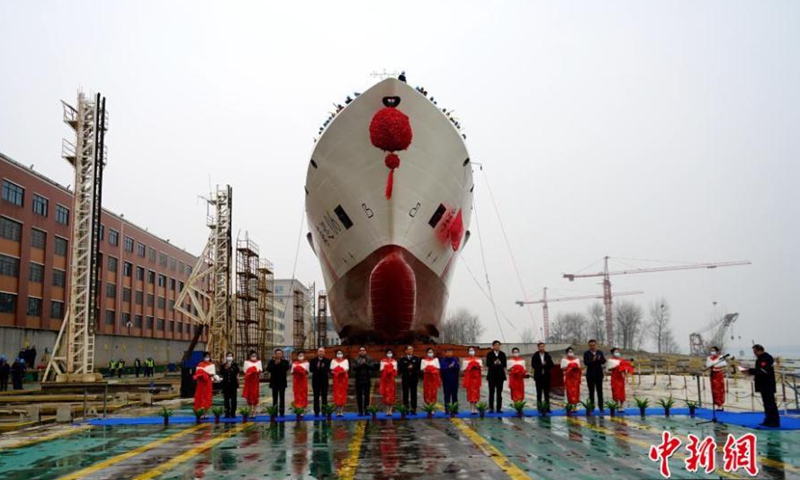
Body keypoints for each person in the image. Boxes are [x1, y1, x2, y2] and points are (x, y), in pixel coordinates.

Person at [743, 344, 780, 427]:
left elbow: (762, 370)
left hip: (767, 384)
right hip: (762, 384)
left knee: (770, 403)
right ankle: (768, 419)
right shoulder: (760, 358)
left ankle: (774, 421)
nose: (754, 354)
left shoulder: (766, 358)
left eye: (755, 352)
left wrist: (750, 371)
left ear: (759, 350)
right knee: (766, 403)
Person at [583, 339, 606, 410]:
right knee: (591, 391)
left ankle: (601, 406)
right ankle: (592, 406)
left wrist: (599, 359)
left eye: (594, 345)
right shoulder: (586, 353)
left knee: (600, 391)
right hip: (590, 375)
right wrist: (592, 360)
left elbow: (604, 361)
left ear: (596, 345)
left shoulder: (600, 352)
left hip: (599, 374)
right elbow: (586, 363)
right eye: (591, 345)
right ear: (589, 345)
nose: (592, 347)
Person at [266, 349, 290, 416]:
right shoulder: (271, 362)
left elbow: (286, 369)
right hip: (274, 382)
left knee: (282, 397)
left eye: (280, 353)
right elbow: (268, 369)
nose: (278, 355)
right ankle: (274, 411)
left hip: (282, 382)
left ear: (282, 354)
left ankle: (282, 412)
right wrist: (275, 364)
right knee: (275, 398)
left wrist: (279, 363)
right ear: (275, 354)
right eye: (277, 353)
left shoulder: (285, 362)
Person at [531, 342, 554, 410]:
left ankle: (547, 407)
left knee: (547, 393)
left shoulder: (547, 355)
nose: (542, 348)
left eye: (543, 346)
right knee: (539, 393)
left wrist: (545, 365)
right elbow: (533, 365)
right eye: (540, 347)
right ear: (538, 348)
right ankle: (539, 407)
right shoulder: (535, 356)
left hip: (546, 377)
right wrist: (541, 365)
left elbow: (551, 364)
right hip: (538, 377)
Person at [398, 345, 421, 414]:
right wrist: (407, 367)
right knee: (405, 394)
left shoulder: (416, 358)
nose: (411, 350)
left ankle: (413, 408)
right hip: (406, 378)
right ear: (406, 351)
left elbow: (418, 367)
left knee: (414, 394)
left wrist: (413, 367)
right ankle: (406, 408)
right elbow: (400, 368)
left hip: (414, 378)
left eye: (412, 349)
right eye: (409, 349)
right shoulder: (402, 359)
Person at [353, 346, 375, 416]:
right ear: (359, 352)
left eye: (363, 350)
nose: (362, 351)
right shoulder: (356, 359)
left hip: (367, 379)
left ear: (366, 351)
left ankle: (366, 411)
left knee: (367, 396)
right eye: (361, 350)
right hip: (358, 379)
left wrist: (365, 364)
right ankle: (360, 411)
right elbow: (353, 367)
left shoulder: (369, 358)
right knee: (359, 396)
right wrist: (361, 364)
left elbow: (372, 366)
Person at [486, 340, 507, 412]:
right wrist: (494, 363)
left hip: (500, 376)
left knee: (499, 392)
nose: (497, 346)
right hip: (491, 376)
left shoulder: (502, 354)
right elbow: (488, 364)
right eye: (495, 345)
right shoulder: (489, 354)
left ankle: (499, 408)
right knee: (491, 392)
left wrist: (500, 363)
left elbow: (504, 364)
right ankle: (491, 407)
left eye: (498, 345)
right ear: (493, 346)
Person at [310, 347, 331, 417]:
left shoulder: (327, 360)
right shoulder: (313, 360)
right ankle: (316, 411)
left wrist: (322, 368)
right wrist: (317, 367)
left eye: (322, 351)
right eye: (320, 351)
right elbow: (311, 369)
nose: (321, 353)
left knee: (324, 397)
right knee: (316, 397)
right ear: (317, 352)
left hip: (324, 381)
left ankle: (324, 411)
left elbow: (328, 370)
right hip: (316, 381)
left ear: (324, 353)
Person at [462, 347, 482, 413]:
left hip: (476, 379)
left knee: (476, 393)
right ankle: (471, 408)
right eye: (470, 350)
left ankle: (475, 407)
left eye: (472, 350)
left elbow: (481, 369)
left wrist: (476, 366)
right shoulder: (465, 360)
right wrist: (470, 367)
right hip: (469, 379)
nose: (471, 351)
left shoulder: (479, 360)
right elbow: (463, 370)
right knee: (470, 393)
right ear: (468, 352)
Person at [220, 352, 240, 418]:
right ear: (226, 357)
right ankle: (227, 413)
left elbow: (237, 374)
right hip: (226, 385)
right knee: (226, 400)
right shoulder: (223, 365)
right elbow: (221, 373)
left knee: (233, 400)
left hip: (233, 385)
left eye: (230, 356)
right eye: (228, 356)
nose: (229, 357)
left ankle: (233, 413)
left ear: (233, 357)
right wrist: (225, 368)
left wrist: (238, 384)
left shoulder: (235, 365)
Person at [331, 350, 349, 416]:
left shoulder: (345, 361)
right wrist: (336, 372)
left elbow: (347, 369)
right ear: (336, 354)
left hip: (343, 380)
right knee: (336, 394)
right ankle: (337, 410)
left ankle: (341, 410)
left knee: (343, 394)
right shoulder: (333, 361)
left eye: (340, 353)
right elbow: (332, 370)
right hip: (336, 380)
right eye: (338, 353)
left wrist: (342, 372)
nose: (339, 354)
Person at [379, 349, 397, 414]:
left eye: (390, 353)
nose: (389, 354)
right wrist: (387, 370)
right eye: (388, 353)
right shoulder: (383, 361)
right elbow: (381, 369)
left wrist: (390, 370)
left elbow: (395, 370)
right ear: (386, 354)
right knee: (386, 394)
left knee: (392, 394)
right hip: (385, 380)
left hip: (391, 380)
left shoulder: (394, 361)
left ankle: (391, 410)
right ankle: (387, 410)